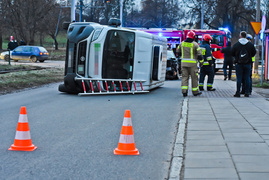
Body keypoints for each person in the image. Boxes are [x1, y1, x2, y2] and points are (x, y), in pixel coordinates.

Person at [176, 30, 203, 97]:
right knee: (194, 78)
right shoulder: (195, 44)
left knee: (185, 77)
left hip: (183, 64)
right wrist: (201, 63)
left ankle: (184, 92)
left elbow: (178, 52)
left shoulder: (181, 44)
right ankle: (195, 92)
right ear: (193, 37)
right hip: (192, 65)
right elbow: (200, 55)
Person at [231, 31, 256, 97]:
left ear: (240, 36)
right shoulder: (250, 45)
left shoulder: (236, 44)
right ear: (246, 36)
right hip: (248, 64)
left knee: (239, 78)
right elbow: (254, 53)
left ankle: (238, 92)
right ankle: (247, 92)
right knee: (247, 77)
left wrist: (236, 57)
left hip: (238, 64)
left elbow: (232, 53)